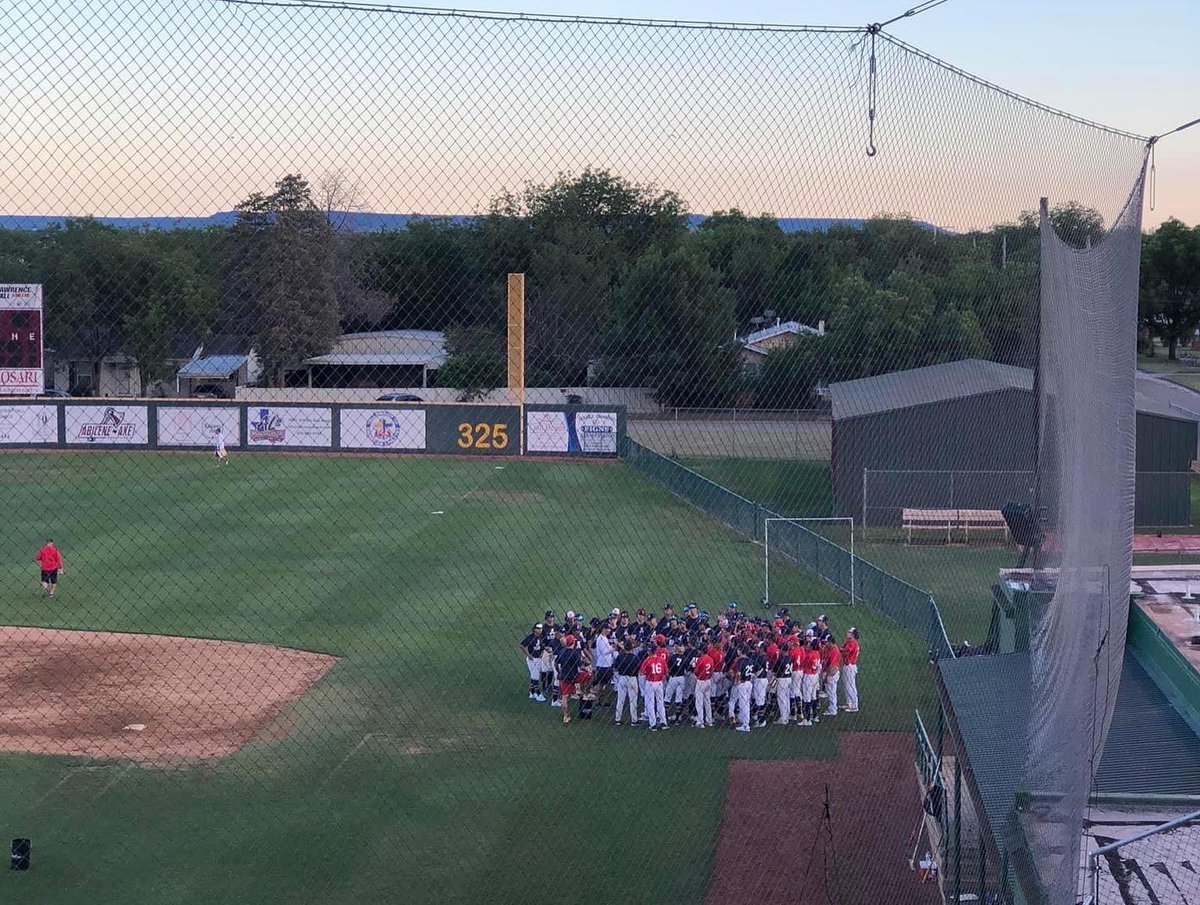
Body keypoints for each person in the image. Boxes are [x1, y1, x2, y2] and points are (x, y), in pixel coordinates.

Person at [639, 638, 669, 731]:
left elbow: (641, 673)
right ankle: (663, 722)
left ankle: (653, 724)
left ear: (649, 651)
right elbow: (665, 673)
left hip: (650, 682)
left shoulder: (647, 660)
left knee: (650, 703)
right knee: (660, 703)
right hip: (659, 683)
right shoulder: (661, 660)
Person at [555, 635, 584, 725]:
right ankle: (584, 693)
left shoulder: (562, 652)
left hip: (564, 676)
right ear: (573, 643)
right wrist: (587, 667)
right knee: (588, 677)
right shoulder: (575, 653)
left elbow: (556, 663)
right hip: (574, 677)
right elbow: (581, 666)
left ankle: (565, 715)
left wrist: (559, 672)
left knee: (565, 696)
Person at [613, 639, 641, 725]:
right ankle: (634, 720)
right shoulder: (635, 657)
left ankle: (617, 719)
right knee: (633, 701)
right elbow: (639, 670)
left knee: (620, 700)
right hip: (632, 679)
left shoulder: (620, 656)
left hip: (622, 678)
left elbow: (615, 668)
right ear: (632, 648)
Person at [520, 623, 547, 701]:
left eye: (541, 628)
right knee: (535, 677)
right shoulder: (531, 637)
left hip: (538, 659)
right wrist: (528, 655)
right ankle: (538, 694)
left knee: (534, 676)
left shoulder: (541, 637)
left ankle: (532, 692)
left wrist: (542, 652)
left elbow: (542, 646)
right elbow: (522, 645)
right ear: (534, 629)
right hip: (532, 660)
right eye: (538, 628)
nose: (540, 630)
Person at [731, 645, 754, 733]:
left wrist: (737, 681)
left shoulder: (741, 661)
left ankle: (745, 725)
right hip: (749, 683)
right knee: (747, 703)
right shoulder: (750, 660)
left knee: (743, 704)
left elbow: (739, 673)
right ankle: (745, 722)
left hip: (743, 683)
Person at [665, 641, 689, 725]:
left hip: (673, 678)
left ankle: (664, 717)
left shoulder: (672, 657)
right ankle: (678, 719)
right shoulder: (686, 658)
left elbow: (668, 668)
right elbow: (687, 668)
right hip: (682, 678)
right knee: (679, 699)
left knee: (667, 697)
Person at [693, 645, 715, 728]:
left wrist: (697, 677)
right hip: (708, 681)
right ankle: (709, 721)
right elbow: (712, 670)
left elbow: (696, 671)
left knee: (699, 702)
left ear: (701, 651)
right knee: (707, 701)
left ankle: (700, 721)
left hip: (701, 681)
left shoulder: (700, 659)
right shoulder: (710, 659)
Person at [774, 641, 794, 725]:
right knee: (786, 698)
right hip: (789, 678)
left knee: (781, 699)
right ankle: (787, 716)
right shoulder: (790, 658)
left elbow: (775, 670)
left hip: (782, 680)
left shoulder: (780, 659)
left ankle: (783, 718)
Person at [821, 636, 842, 717]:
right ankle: (832, 708)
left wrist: (826, 677)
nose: (825, 643)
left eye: (826, 642)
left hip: (831, 674)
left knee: (831, 693)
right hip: (829, 673)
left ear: (830, 642)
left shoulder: (834, 651)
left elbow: (832, 666)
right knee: (831, 692)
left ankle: (833, 710)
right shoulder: (830, 648)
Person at [841, 628, 861, 713]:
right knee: (847, 685)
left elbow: (845, 651)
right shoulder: (849, 642)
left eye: (849, 632)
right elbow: (842, 649)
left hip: (850, 666)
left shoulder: (853, 644)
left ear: (853, 635)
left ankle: (854, 705)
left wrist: (841, 650)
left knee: (851, 686)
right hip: (847, 665)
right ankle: (849, 703)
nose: (847, 633)